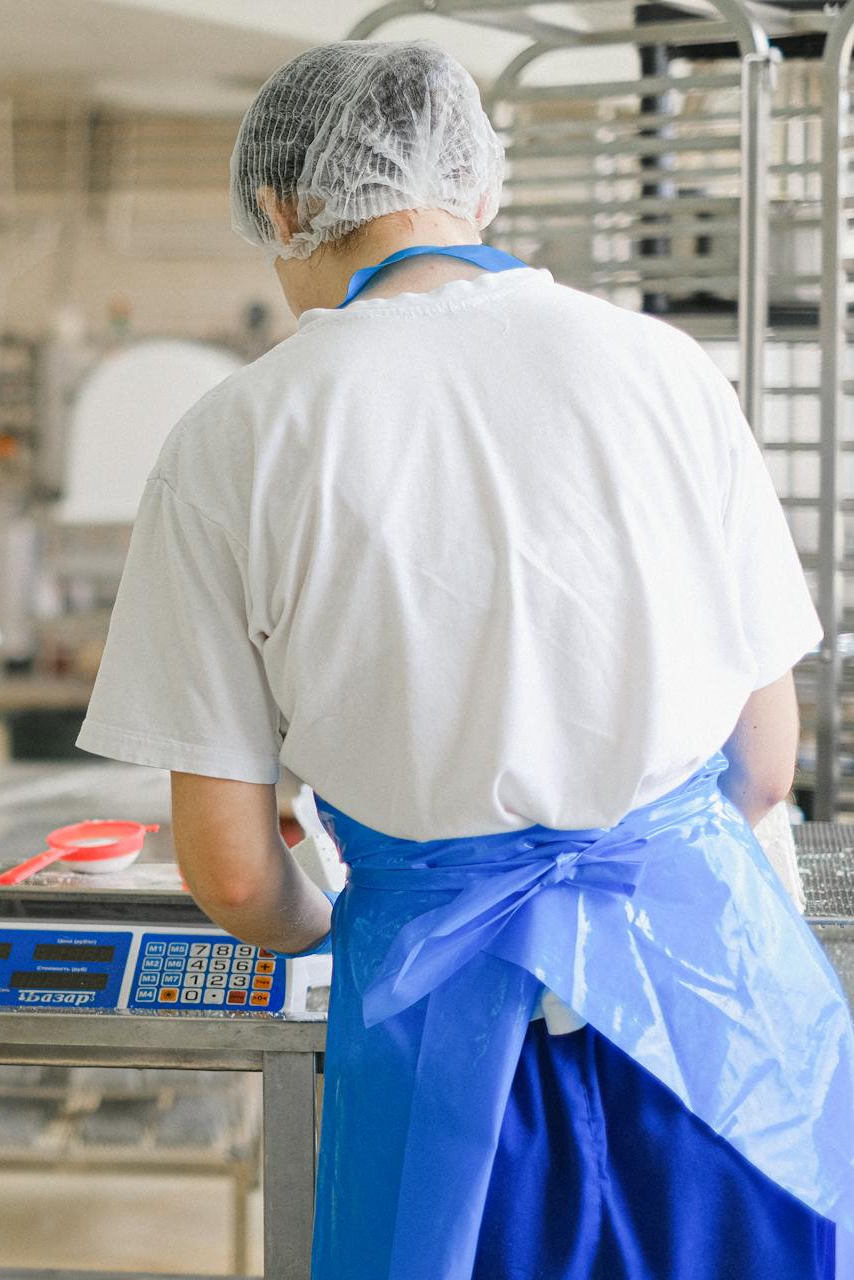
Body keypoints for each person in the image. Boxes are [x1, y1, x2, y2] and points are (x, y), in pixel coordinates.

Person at [76, 38, 854, 1280]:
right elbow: (764, 764)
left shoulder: (235, 435)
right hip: (721, 1022)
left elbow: (231, 870)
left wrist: (361, 916)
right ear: (480, 186)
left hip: (456, 1047)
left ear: (280, 207)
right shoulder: (663, 370)